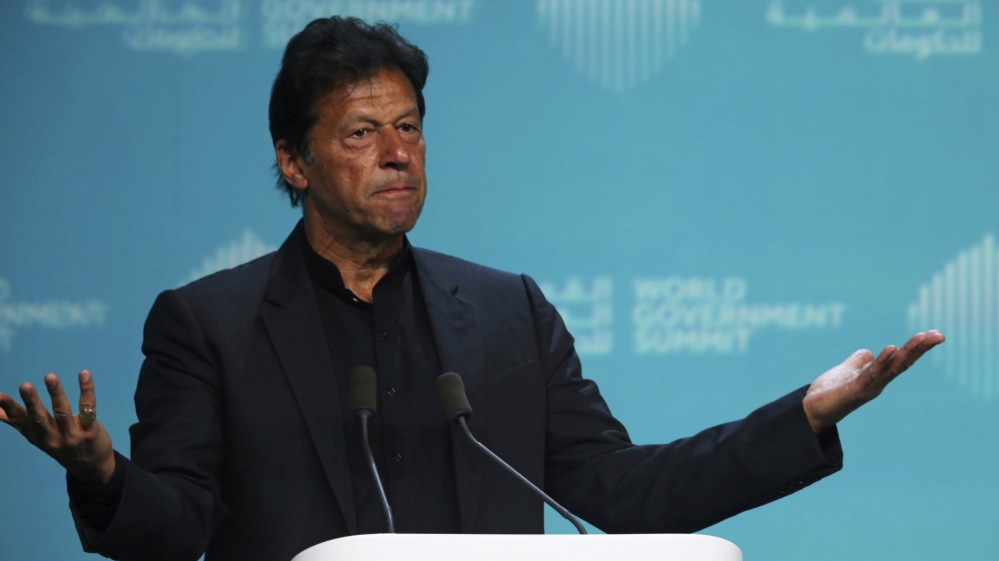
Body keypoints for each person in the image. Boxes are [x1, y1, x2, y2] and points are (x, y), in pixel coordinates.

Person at [0, 16, 943, 561]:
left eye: (409, 127)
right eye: (361, 132)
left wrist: (803, 416)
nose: (397, 153)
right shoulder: (209, 324)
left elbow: (621, 491)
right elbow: (176, 531)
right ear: (292, 160)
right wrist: (104, 474)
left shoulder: (506, 313)